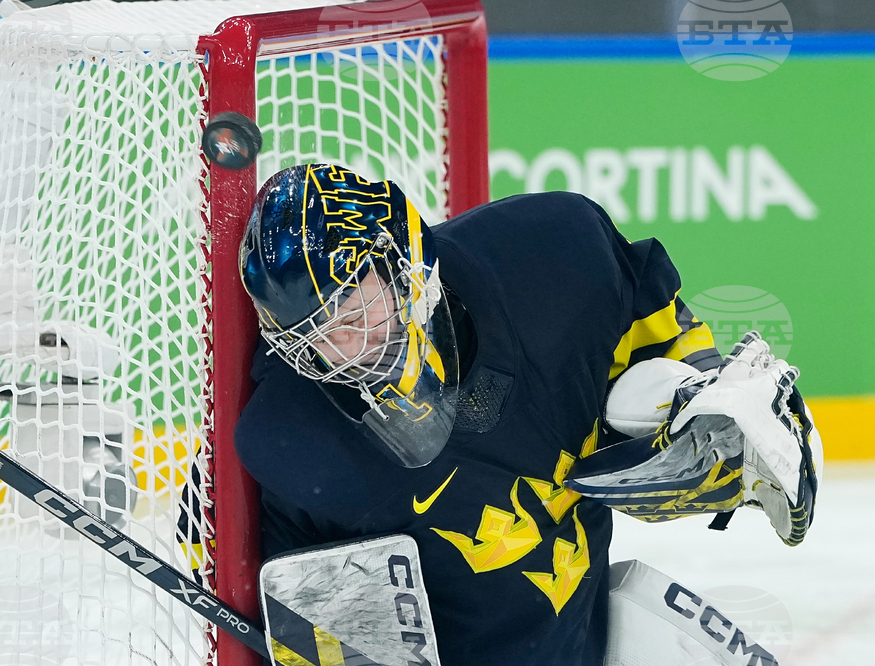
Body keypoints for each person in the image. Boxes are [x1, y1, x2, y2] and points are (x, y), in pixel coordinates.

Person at [227, 163, 820, 666]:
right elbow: (309, 612)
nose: (344, 349)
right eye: (313, 336)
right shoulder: (291, 439)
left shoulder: (551, 255)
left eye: (354, 309)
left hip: (586, 638)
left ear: (402, 258)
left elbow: (661, 332)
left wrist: (710, 415)